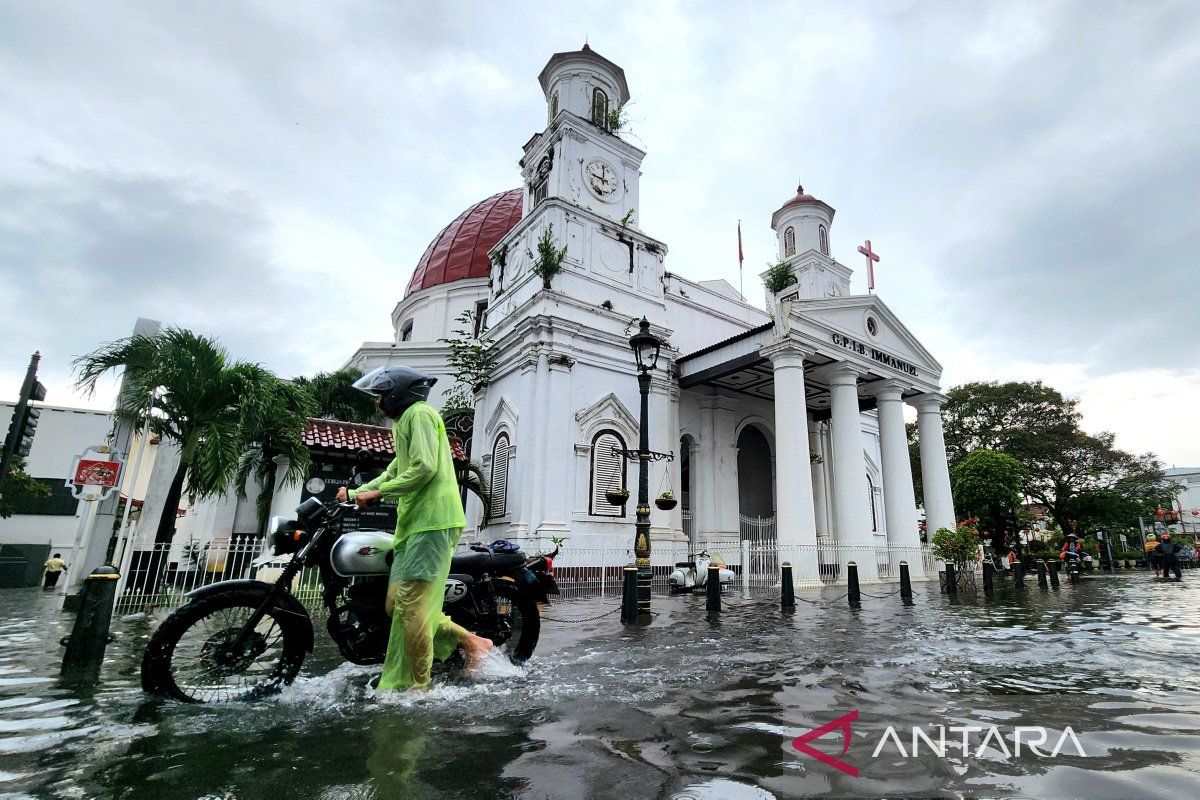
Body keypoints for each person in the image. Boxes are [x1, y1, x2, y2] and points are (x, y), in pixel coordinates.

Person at [336, 365, 493, 692]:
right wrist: (355, 492)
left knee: (412, 606)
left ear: (398, 393)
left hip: (433, 521)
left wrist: (378, 494)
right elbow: (397, 470)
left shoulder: (418, 415)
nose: (378, 402)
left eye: (381, 395)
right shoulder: (405, 423)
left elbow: (423, 468)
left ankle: (417, 685)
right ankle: (472, 642)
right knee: (398, 603)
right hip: (415, 523)